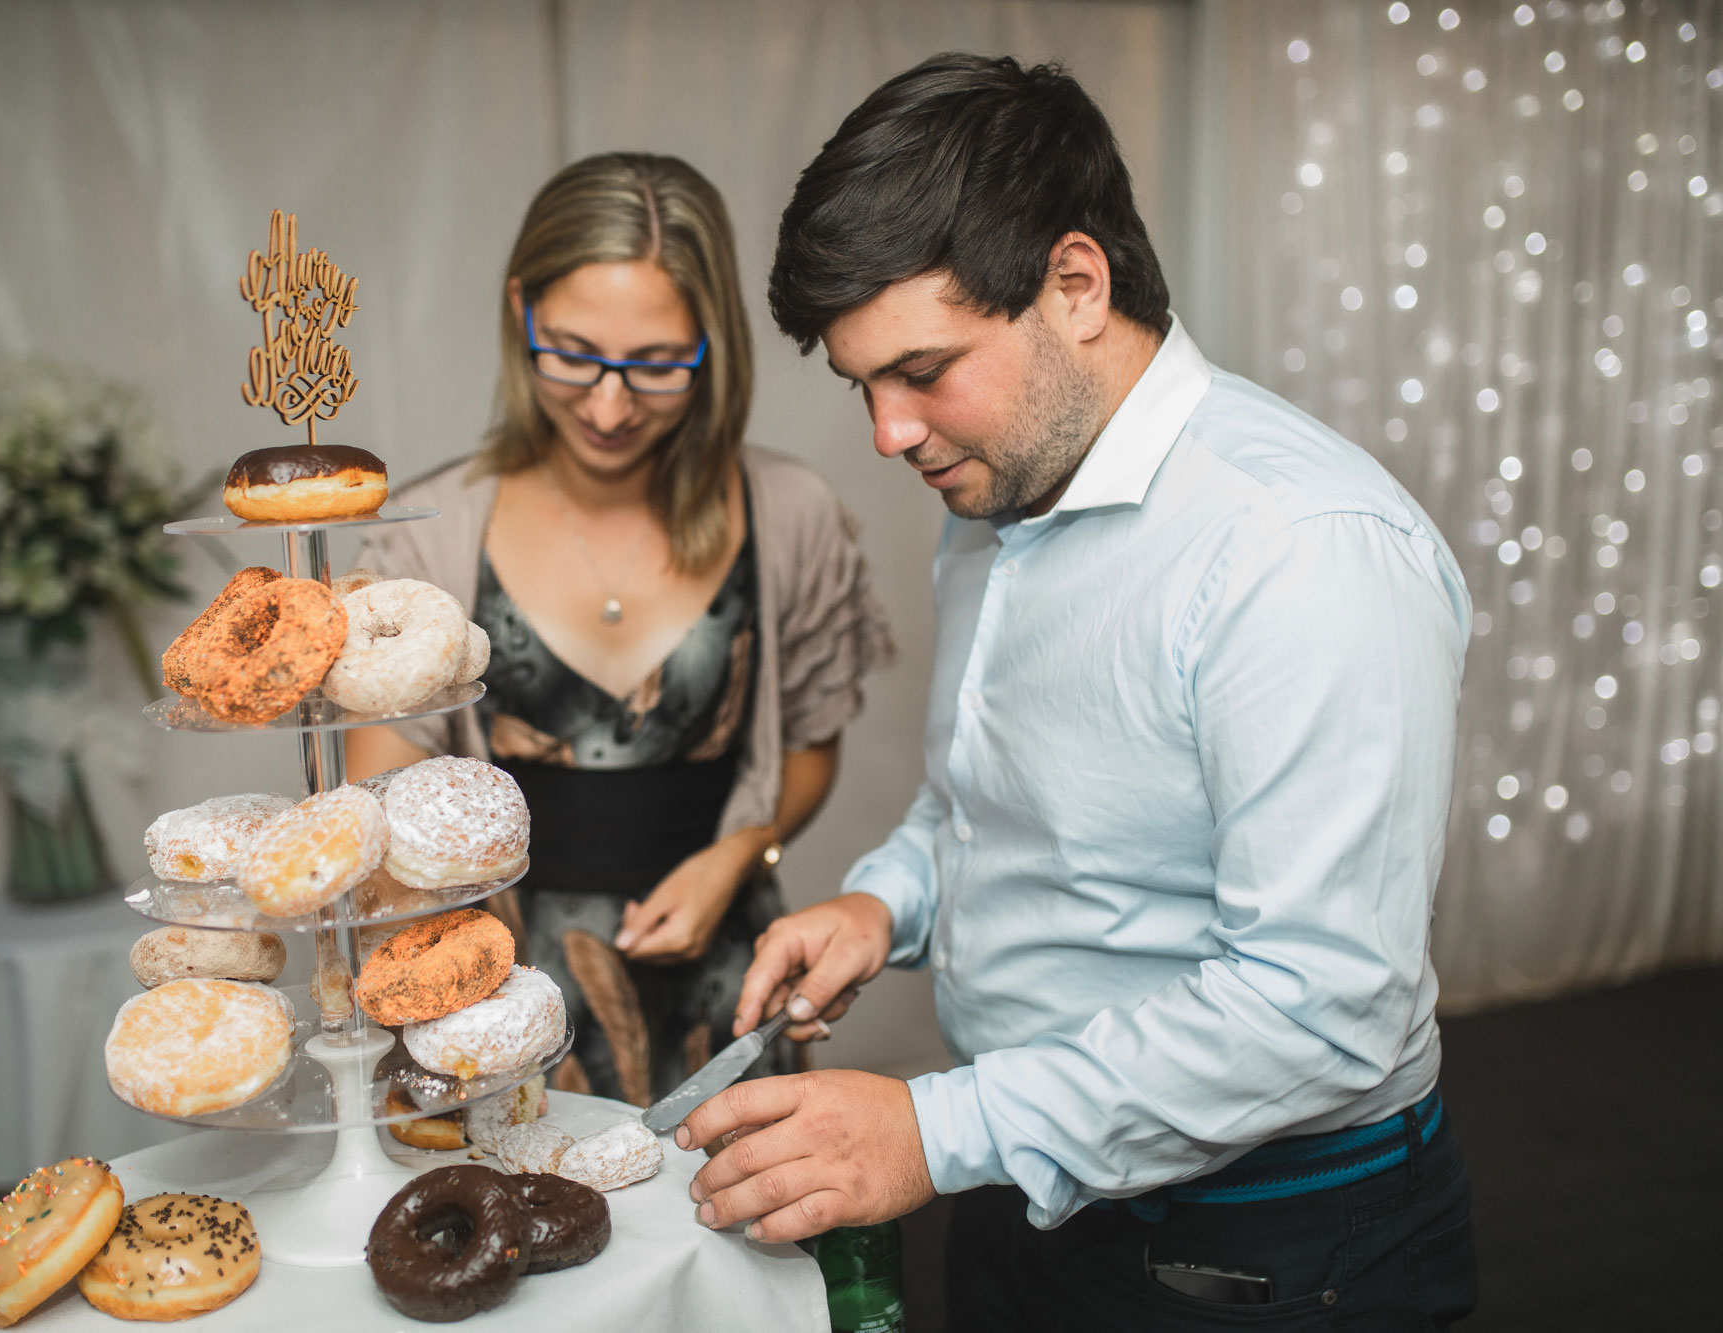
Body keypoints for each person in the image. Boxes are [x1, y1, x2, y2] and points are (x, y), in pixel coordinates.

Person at [677, 54, 1479, 1329]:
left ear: (1074, 283)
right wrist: (884, 907)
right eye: (861, 386)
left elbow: (1324, 1004)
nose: (886, 432)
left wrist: (933, 1128)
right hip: (1026, 1177)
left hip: (1265, 1244)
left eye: (921, 368)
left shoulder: (1299, 547)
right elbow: (986, 806)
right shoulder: (994, 485)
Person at [349, 151, 894, 1105]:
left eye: (655, 366)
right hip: (497, 1010)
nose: (608, 406)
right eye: (571, 352)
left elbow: (809, 748)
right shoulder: (428, 538)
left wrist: (742, 854)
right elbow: (376, 793)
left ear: (713, 340)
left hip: (726, 998)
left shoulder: (790, 510)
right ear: (519, 310)